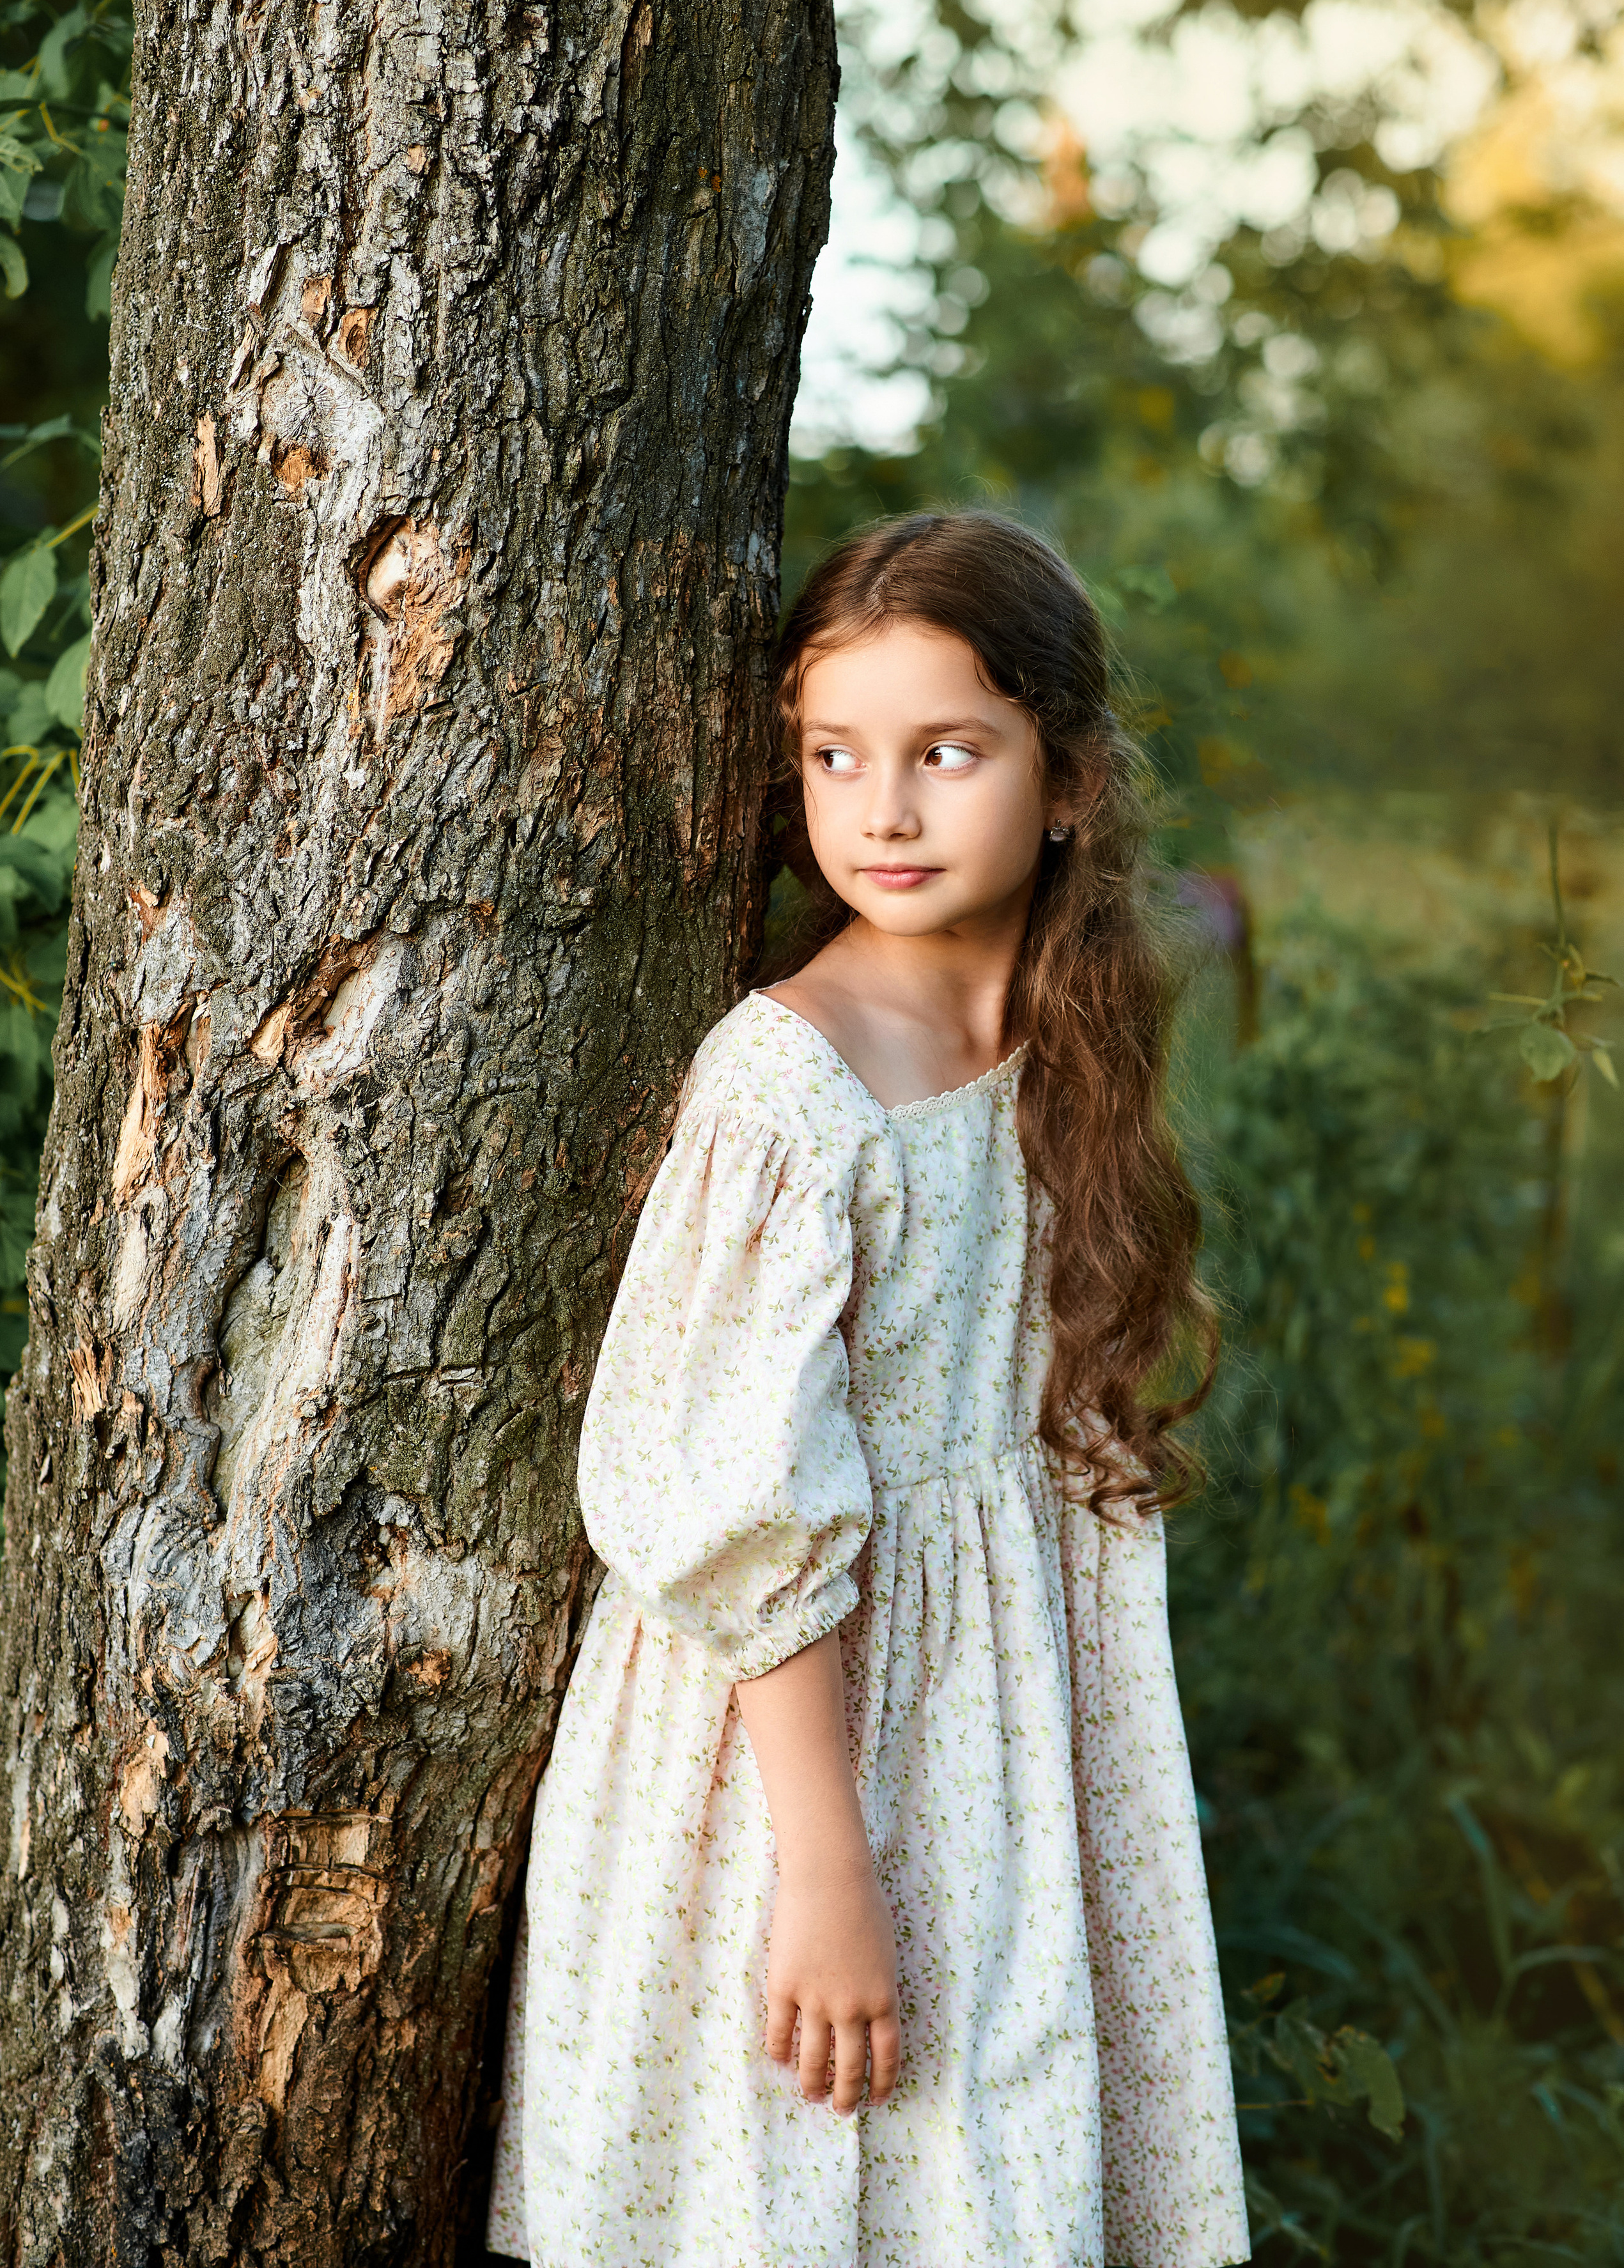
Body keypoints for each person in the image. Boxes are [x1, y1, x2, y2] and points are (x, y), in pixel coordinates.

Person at [486, 512, 1249, 2268]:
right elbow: (730, 1499)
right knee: (798, 2172)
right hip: (793, 1755)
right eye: (836, 756)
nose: (883, 809)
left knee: (971, 2176)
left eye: (944, 752)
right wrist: (825, 1869)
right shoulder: (789, 1086)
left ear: (1065, 780)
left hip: (986, 1736)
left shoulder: (1054, 1035)